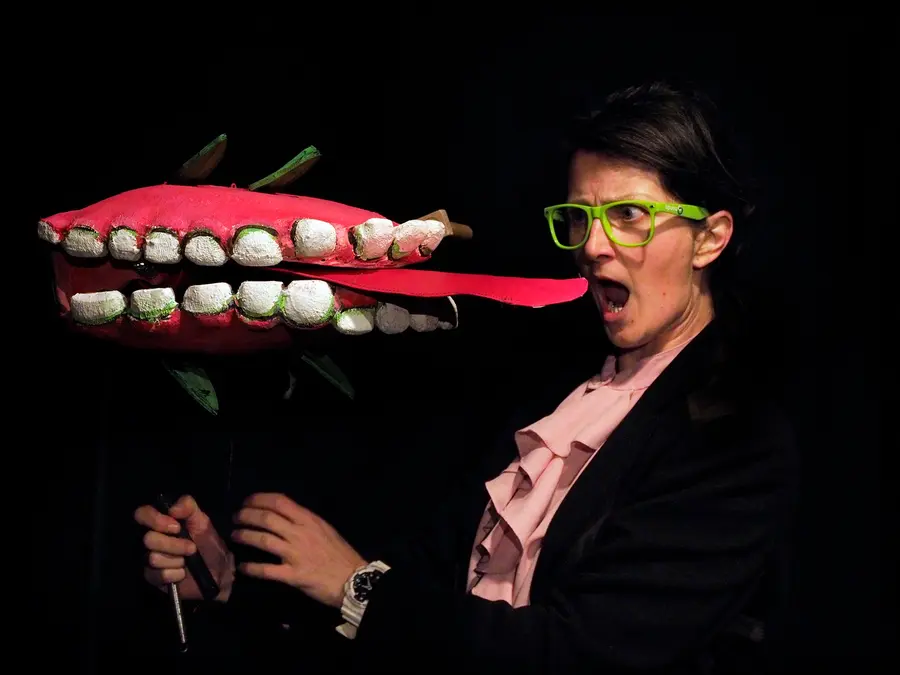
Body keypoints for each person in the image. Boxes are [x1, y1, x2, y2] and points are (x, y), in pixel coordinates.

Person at [135, 81, 798, 674]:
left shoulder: (733, 440)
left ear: (710, 238)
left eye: (629, 215)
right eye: (580, 217)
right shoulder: (559, 391)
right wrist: (232, 584)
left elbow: (583, 652)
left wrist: (358, 588)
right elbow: (435, 591)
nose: (593, 246)